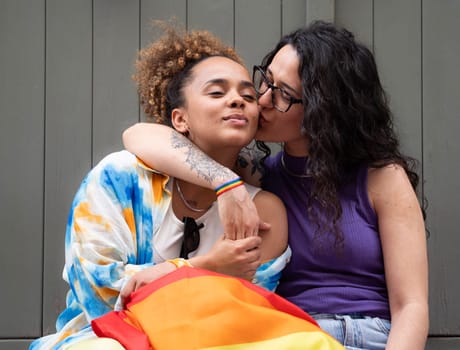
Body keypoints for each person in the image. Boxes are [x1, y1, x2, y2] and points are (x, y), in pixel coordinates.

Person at [122, 21, 429, 349]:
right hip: (288, 336)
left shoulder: (382, 178)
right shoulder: (256, 176)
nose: (262, 100)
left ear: (323, 110)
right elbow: (137, 135)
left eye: (283, 94)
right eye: (266, 81)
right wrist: (225, 181)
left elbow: (411, 305)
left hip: (372, 338)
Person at [30, 25, 292, 350]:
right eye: (216, 92)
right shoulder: (120, 179)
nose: (237, 100)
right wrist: (203, 267)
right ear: (179, 120)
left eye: (248, 96)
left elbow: (246, 315)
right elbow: (99, 294)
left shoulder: (263, 211)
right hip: (102, 340)